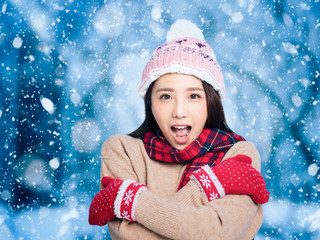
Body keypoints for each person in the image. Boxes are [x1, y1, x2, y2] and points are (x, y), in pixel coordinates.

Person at [88, 19, 270, 240]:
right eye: (166, 96)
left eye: (194, 96)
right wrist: (211, 185)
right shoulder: (123, 151)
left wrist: (130, 200)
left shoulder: (239, 154)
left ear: (210, 102)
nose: (179, 111)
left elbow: (221, 235)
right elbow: (129, 237)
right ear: (150, 104)